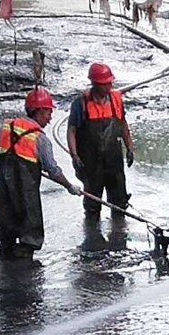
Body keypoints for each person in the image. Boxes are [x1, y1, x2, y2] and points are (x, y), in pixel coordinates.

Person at [0, 87, 81, 261]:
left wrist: (7, 153)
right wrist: (69, 186)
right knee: (28, 240)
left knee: (6, 237)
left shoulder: (7, 127)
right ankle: (25, 280)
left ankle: (5, 274)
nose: (50, 119)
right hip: (27, 200)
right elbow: (52, 170)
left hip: (6, 198)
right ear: (38, 111)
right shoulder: (40, 139)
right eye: (48, 113)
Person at [67, 63, 135, 234]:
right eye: (105, 83)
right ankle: (92, 240)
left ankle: (119, 238)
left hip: (113, 162)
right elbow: (71, 130)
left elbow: (123, 124)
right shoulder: (80, 104)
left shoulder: (116, 100)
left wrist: (130, 148)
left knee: (119, 205)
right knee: (92, 206)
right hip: (91, 164)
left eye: (110, 82)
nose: (109, 86)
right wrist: (74, 155)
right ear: (95, 84)